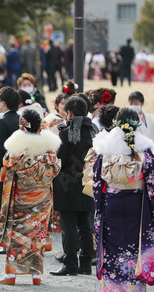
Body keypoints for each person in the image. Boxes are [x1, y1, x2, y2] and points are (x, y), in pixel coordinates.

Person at [92, 108, 154, 292]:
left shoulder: (106, 145)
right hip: (136, 204)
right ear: (137, 122)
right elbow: (153, 176)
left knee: (111, 248)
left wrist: (99, 203)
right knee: (135, 246)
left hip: (112, 203)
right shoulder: (144, 148)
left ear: (117, 122)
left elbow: (96, 179)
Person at [0, 109, 61, 285]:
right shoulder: (49, 147)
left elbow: (7, 165)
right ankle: (36, 276)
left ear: (22, 125)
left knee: (18, 233)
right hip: (42, 198)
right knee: (37, 235)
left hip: (21, 197)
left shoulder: (16, 149)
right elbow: (54, 170)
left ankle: (11, 276)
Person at [51, 95, 97, 276]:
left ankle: (70, 263)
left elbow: (58, 159)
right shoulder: (94, 131)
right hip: (88, 182)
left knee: (69, 224)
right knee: (86, 224)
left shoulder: (66, 133)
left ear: (69, 113)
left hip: (67, 182)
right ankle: (85, 264)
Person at [0, 87, 21, 255]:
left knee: (6, 205)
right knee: (16, 205)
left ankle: (7, 241)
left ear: (3, 103)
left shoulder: (2, 122)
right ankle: (16, 239)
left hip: (5, 169)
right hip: (20, 168)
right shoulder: (20, 119)